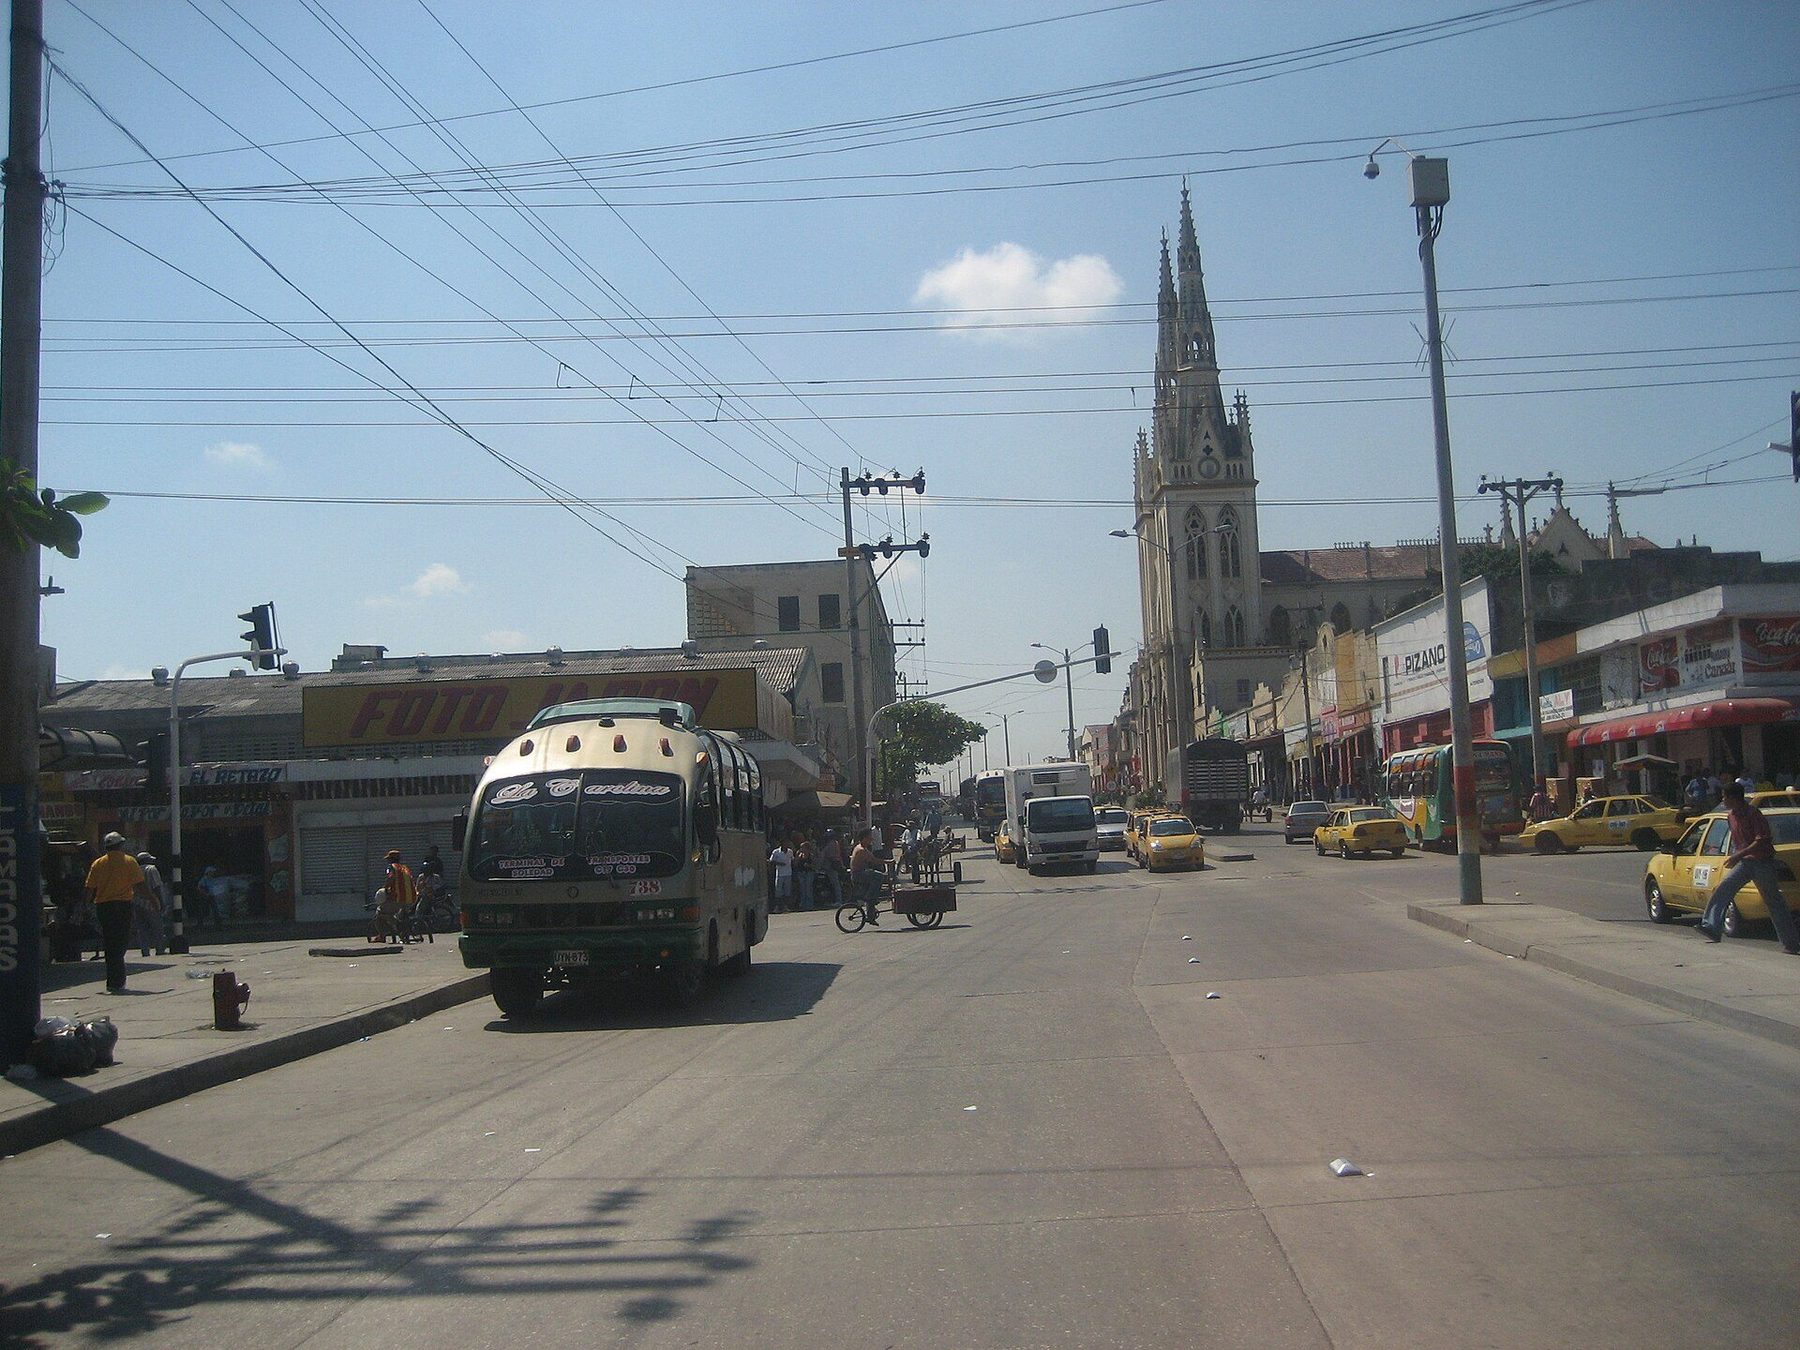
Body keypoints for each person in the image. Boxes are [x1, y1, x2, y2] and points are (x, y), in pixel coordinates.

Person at [1697, 781, 1800, 953]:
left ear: (1734, 798)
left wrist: (1738, 855)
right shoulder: (1731, 816)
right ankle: (1711, 927)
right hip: (1745, 863)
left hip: (1761, 862)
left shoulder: (1753, 814)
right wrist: (1737, 855)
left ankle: (1790, 943)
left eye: (1724, 797)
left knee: (1774, 902)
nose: (1723, 800)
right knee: (1722, 889)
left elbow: (1762, 840)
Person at [84, 831, 151, 992]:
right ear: (120, 845)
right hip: (122, 906)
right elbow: (140, 886)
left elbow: (89, 889)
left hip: (104, 907)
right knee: (120, 942)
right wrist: (153, 900)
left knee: (110, 942)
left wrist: (86, 906)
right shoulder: (129, 861)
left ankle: (113, 980)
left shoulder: (98, 864)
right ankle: (117, 980)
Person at [375, 848, 418, 942]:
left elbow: (390, 878)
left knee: (380, 912)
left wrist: (385, 888)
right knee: (400, 912)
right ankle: (403, 929)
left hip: (398, 899)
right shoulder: (405, 868)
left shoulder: (391, 867)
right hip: (412, 899)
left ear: (390, 859)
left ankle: (383, 935)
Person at [133, 850, 168, 957]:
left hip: (136, 902)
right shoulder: (151, 869)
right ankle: (159, 949)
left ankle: (145, 950)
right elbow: (156, 887)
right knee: (157, 927)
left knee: (142, 928)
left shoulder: (134, 870)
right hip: (151, 902)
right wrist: (161, 902)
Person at [850, 827, 885, 925]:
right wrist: (888, 862)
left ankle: (870, 917)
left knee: (874, 881)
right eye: (869, 838)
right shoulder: (860, 849)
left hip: (862, 873)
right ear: (864, 838)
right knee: (879, 876)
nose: (871, 840)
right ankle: (870, 897)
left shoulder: (863, 848)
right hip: (858, 874)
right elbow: (874, 860)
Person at [819, 830, 845, 909]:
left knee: (835, 884)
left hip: (831, 867)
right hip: (831, 867)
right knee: (834, 884)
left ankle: (838, 901)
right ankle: (835, 899)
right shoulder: (835, 843)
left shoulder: (831, 844)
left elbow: (829, 856)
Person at [768, 838, 794, 911]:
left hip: (788, 873)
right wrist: (779, 863)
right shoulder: (776, 852)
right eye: (784, 843)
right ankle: (777, 907)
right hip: (779, 873)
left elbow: (792, 860)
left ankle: (785, 906)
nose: (786, 844)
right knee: (778, 891)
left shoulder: (790, 851)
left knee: (787, 891)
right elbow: (771, 861)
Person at [793, 832, 816, 911]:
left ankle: (810, 905)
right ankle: (803, 905)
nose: (802, 849)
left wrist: (809, 865)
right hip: (801, 873)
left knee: (808, 889)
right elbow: (795, 864)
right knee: (802, 889)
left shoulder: (811, 855)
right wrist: (798, 858)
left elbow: (814, 866)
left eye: (803, 847)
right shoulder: (798, 854)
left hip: (809, 873)